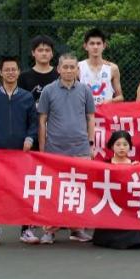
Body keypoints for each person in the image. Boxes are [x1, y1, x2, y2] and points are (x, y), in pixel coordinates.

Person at [0, 56, 40, 246]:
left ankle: (26, 229)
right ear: (1, 72)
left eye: (14, 69)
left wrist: (30, 138)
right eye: (7, 70)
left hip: (22, 154)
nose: (11, 73)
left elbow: (33, 123)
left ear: (19, 72)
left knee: (24, 190)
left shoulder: (27, 97)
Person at [37, 52, 96, 245]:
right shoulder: (48, 90)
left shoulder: (85, 90)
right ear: (58, 69)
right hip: (55, 149)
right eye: (65, 67)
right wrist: (43, 149)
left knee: (78, 191)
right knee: (54, 192)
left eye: (72, 67)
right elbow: (42, 120)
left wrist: (91, 143)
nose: (69, 70)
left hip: (80, 149)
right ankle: (49, 230)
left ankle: (76, 229)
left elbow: (90, 118)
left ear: (78, 70)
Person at [77, 28, 123, 106]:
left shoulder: (112, 68)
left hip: (106, 112)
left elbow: (120, 97)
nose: (95, 47)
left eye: (98, 43)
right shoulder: (78, 67)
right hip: (85, 112)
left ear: (104, 46)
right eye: (92, 43)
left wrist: (111, 101)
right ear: (85, 46)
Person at [18, 34, 59, 105]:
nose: (44, 53)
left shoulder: (59, 75)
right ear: (33, 53)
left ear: (52, 53)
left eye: (47, 50)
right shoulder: (23, 77)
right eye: (40, 50)